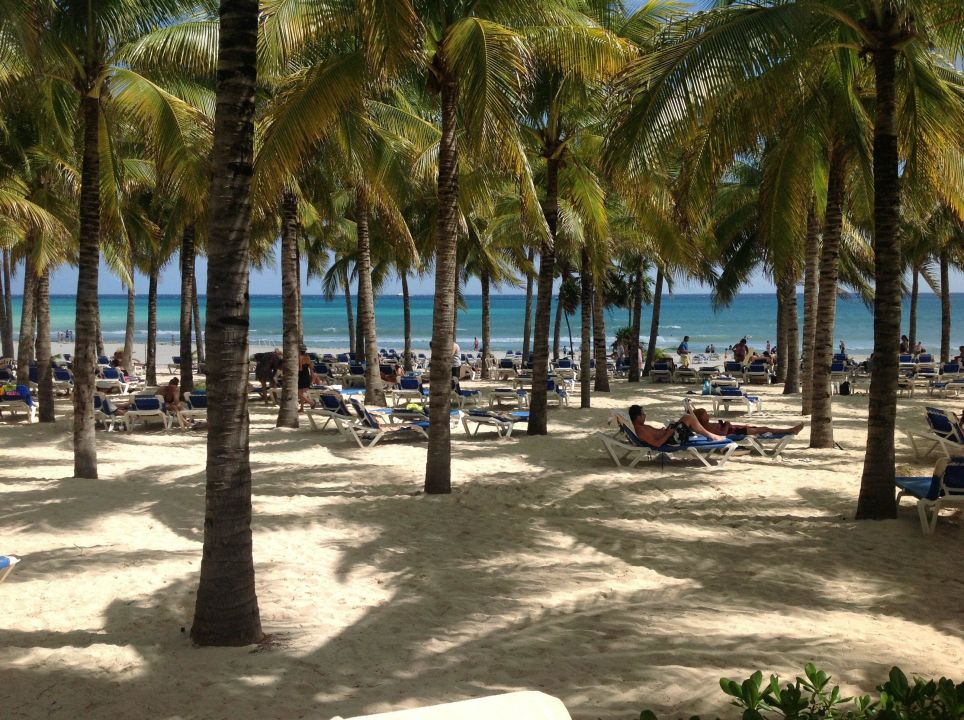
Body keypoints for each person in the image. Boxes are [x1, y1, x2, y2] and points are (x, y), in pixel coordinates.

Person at [628, 404, 728, 445]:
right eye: (643, 414)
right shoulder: (640, 430)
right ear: (637, 417)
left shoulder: (640, 427)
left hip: (670, 435)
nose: (645, 415)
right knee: (689, 418)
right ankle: (712, 436)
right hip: (671, 439)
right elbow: (657, 444)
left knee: (687, 417)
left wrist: (665, 430)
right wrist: (667, 433)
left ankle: (711, 434)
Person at [691, 407, 803, 438]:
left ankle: (790, 430)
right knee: (765, 429)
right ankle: (791, 430)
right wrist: (727, 425)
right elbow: (723, 435)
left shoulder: (705, 425)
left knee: (762, 428)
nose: (708, 415)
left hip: (735, 429)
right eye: (705, 414)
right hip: (734, 432)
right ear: (701, 418)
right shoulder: (706, 426)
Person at [297, 346, 315, 411]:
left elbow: (300, 369)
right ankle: (302, 408)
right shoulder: (308, 357)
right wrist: (312, 376)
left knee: (297, 392)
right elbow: (311, 367)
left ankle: (311, 402)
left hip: (301, 376)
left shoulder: (299, 357)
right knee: (301, 392)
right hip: (306, 375)